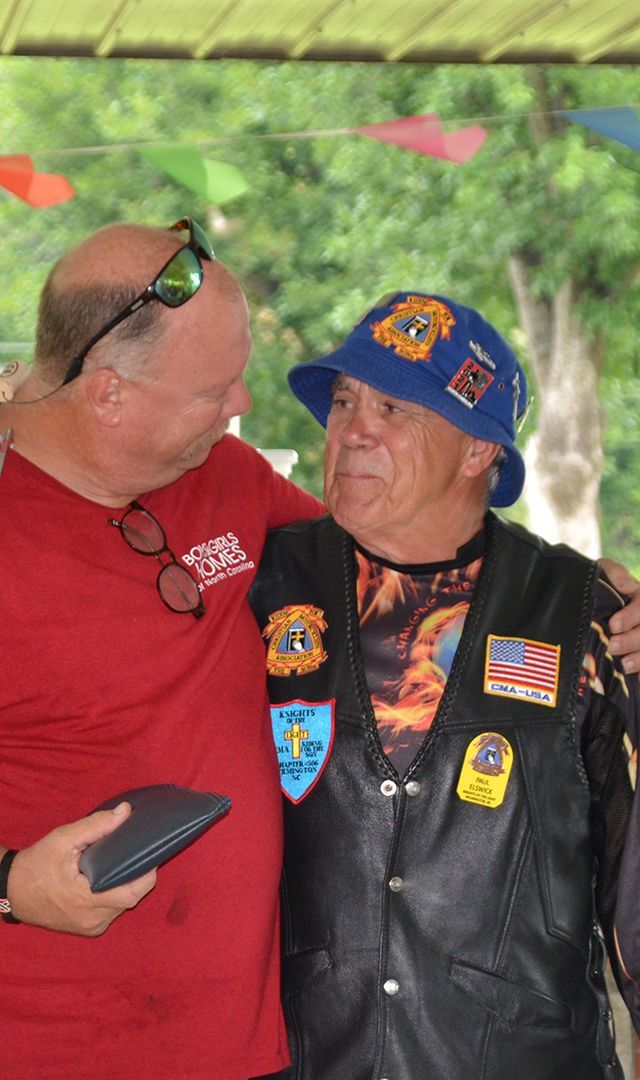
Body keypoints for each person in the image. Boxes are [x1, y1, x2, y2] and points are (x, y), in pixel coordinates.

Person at [0, 218, 322, 1079]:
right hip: (16, 1051)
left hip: (235, 1049)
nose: (243, 403)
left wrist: (586, 593)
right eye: (217, 387)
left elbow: (400, 575)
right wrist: (8, 881)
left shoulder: (228, 473)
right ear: (107, 393)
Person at [249, 291, 640, 1079]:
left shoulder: (584, 618)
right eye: (345, 401)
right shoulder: (259, 585)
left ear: (476, 452)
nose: (353, 428)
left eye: (394, 406)